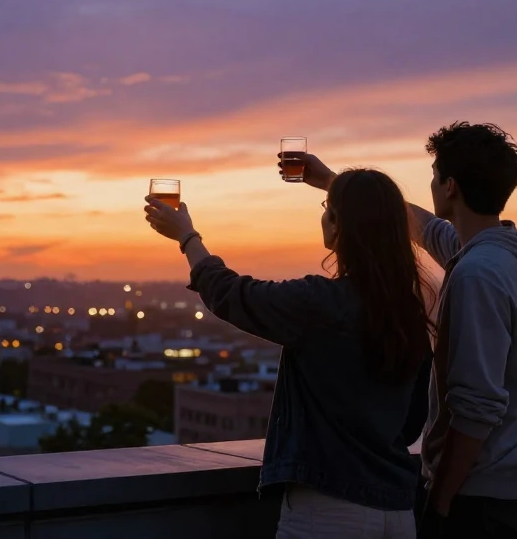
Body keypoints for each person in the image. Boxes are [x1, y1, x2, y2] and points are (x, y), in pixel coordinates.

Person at [144, 169, 435, 538]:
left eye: (328, 208)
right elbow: (410, 424)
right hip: (397, 511)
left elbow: (234, 295)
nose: (323, 215)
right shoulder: (409, 311)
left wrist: (188, 237)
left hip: (328, 510)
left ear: (340, 224)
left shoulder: (320, 303)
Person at [294, 123, 517, 539]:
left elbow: (477, 406)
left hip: (480, 498)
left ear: (449, 186)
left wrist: (441, 500)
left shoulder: (477, 274)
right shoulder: (509, 251)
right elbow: (423, 226)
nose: (430, 184)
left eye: (433, 176)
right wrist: (331, 182)